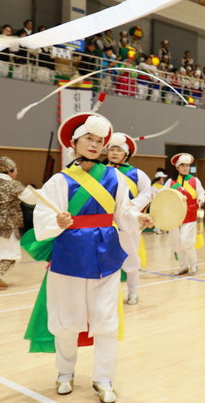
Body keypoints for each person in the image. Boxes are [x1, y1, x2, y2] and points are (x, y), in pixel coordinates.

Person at [25, 112, 152, 401]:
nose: (95, 145)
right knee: (67, 320)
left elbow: (124, 211)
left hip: (105, 255)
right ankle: (65, 373)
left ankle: (104, 379)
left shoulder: (115, 177)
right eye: (89, 139)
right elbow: (43, 216)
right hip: (68, 256)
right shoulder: (59, 180)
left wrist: (137, 218)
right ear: (74, 143)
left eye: (99, 140)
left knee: (106, 321)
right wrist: (57, 222)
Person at [105, 132, 152, 304]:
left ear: (126, 154)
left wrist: (133, 207)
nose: (115, 153)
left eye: (118, 150)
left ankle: (133, 292)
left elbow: (147, 193)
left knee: (131, 257)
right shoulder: (102, 172)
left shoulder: (137, 174)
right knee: (107, 258)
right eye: (112, 149)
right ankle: (110, 295)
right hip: (106, 221)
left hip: (129, 220)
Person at [165, 153, 205, 275]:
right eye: (183, 165)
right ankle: (183, 266)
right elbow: (162, 195)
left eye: (187, 165)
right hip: (175, 216)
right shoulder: (171, 182)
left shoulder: (194, 180)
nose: (186, 168)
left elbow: (201, 193)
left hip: (190, 214)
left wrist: (201, 199)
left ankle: (193, 264)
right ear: (177, 167)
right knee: (176, 242)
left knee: (186, 240)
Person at [0, 156, 36, 288]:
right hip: (7, 226)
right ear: (10, 170)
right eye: (16, 170)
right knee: (11, 255)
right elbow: (31, 199)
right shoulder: (13, 184)